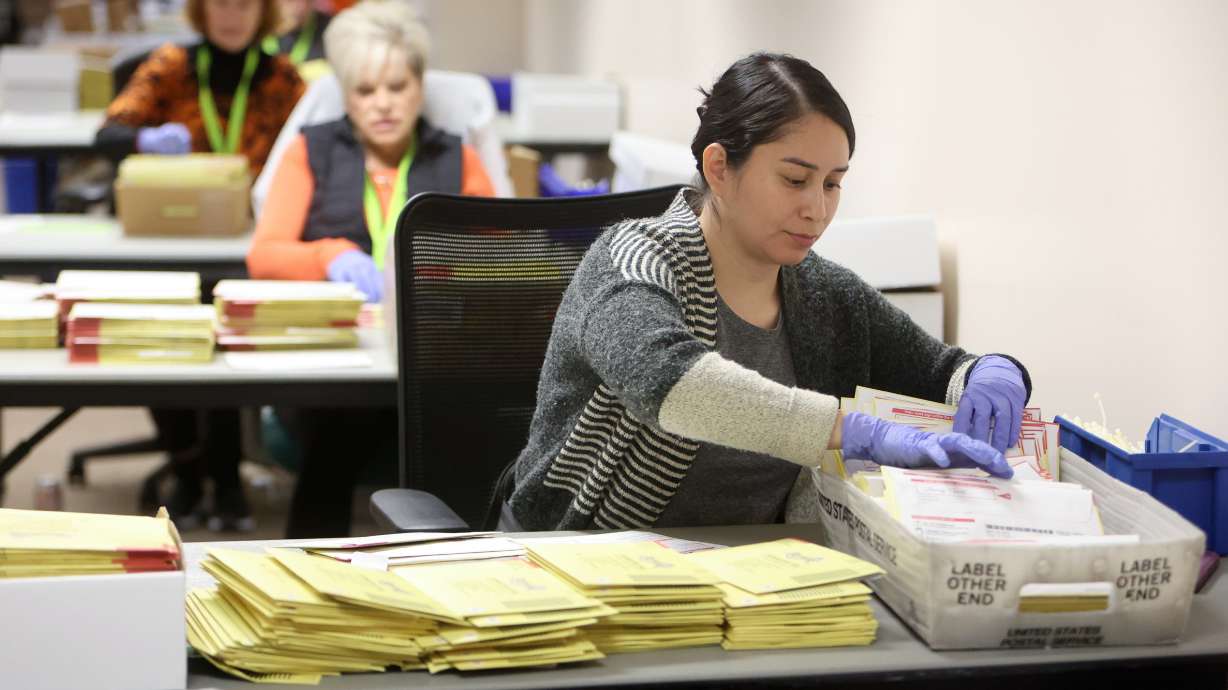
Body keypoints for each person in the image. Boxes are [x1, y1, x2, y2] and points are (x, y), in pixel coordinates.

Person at [507, 53, 1031, 531]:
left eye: (832, 184)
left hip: (756, 582)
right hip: (574, 558)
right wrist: (847, 430)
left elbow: (940, 372)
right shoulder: (631, 261)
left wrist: (990, 374)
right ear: (719, 168)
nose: (817, 210)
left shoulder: (826, 294)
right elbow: (667, 383)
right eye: (794, 179)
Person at [247, 0, 495, 537]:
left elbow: (499, 256)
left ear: (420, 87)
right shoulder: (308, 153)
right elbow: (264, 253)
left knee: (470, 439)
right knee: (339, 429)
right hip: (338, 363)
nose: (382, 104)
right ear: (345, 94)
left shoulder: (458, 157)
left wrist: (442, 272)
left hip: (434, 357)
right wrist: (328, 254)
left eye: (397, 87)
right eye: (364, 91)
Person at [95, 0, 306, 530]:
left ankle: (227, 475)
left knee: (229, 333)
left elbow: (315, 148)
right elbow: (108, 134)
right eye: (220, 3)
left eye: (245, 4)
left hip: (251, 237)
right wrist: (144, 139)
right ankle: (189, 468)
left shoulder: (283, 79)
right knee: (164, 330)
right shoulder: (172, 65)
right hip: (175, 235)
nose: (232, 14)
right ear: (200, 11)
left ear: (263, 13)